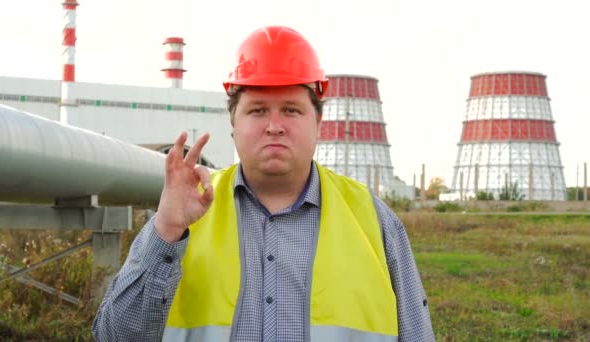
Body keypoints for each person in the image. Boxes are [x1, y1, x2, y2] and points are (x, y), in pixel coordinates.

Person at [93, 26, 434, 342]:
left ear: (318, 122)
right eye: (257, 111)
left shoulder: (374, 220)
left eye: (290, 110)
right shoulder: (185, 212)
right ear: (233, 123)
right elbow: (114, 336)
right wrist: (165, 230)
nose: (274, 126)